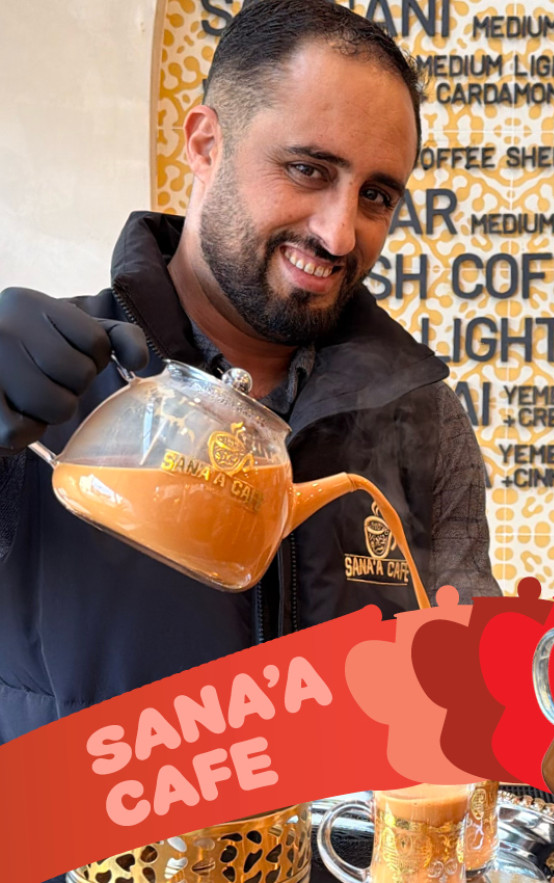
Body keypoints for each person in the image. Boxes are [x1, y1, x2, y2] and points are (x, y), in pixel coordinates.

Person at [0, 0, 501, 753]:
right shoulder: (54, 381)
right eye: (307, 169)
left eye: (375, 195)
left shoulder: (422, 419)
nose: (339, 234)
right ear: (205, 145)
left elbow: (468, 695)